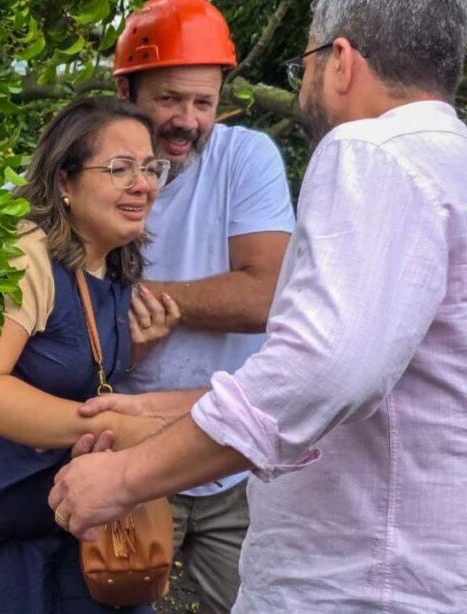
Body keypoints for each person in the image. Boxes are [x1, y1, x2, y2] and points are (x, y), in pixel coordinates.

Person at [50, 0, 467, 611]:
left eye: (306, 68)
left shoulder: (372, 152)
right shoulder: (448, 160)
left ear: (341, 61)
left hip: (359, 580)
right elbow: (373, 383)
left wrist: (122, 478)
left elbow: (320, 373)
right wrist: (155, 406)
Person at [0, 97, 179, 614]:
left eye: (150, 167)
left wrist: (138, 350)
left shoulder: (112, 268)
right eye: (120, 168)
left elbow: (68, 368)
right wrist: (119, 430)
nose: (144, 184)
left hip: (66, 511)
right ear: (64, 182)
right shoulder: (22, 251)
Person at [99, 1, 295, 611]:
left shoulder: (245, 157)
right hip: (131, 455)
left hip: (231, 458)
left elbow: (266, 294)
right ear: (125, 88)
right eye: (169, 100)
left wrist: (146, 302)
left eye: (204, 103)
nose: (187, 120)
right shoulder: (89, 169)